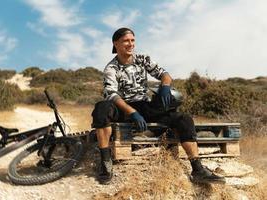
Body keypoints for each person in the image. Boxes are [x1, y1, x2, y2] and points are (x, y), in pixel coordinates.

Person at [91, 27, 225, 185]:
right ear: (116, 44)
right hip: (123, 107)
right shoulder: (111, 68)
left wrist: (165, 86)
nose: (130, 44)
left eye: (132, 40)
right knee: (102, 108)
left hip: (143, 105)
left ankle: (198, 169)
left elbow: (165, 74)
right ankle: (106, 164)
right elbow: (111, 94)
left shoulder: (142, 59)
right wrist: (132, 112)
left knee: (183, 118)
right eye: (126, 41)